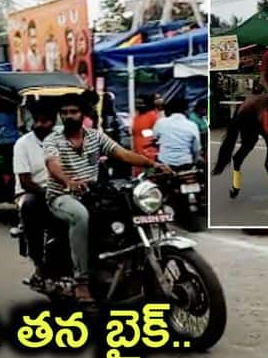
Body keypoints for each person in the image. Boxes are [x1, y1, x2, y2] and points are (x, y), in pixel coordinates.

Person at [44, 92, 172, 303]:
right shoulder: (54, 139)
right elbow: (52, 163)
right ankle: (81, 281)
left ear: (82, 114)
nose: (69, 116)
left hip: (93, 192)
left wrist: (153, 164)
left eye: (73, 112)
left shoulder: (95, 136)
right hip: (62, 196)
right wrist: (68, 181)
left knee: (128, 207)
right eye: (64, 112)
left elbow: (122, 154)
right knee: (80, 216)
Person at [13, 100, 55, 287]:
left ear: (53, 122)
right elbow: (25, 181)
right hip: (31, 190)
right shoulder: (23, 144)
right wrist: (47, 191)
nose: (39, 125)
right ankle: (39, 265)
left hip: (60, 189)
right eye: (36, 121)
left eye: (44, 121)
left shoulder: (62, 140)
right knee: (30, 205)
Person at [153, 97, 201, 169]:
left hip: (164, 163)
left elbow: (155, 138)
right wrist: (194, 162)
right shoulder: (192, 125)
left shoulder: (161, 122)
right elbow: (196, 149)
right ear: (186, 110)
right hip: (186, 163)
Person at [132, 94, 160, 176]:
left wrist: (145, 133)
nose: (138, 105)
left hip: (149, 152)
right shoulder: (137, 116)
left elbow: (156, 134)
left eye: (141, 103)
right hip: (137, 152)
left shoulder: (153, 116)